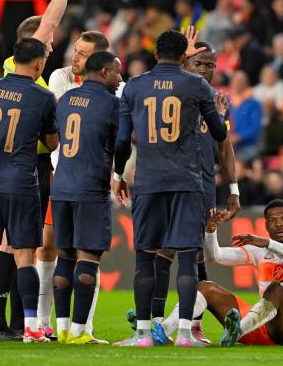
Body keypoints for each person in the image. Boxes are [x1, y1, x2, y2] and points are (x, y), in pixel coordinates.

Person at [111, 29, 228, 348]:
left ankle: (145, 334)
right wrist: (216, 114)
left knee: (145, 258)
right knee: (189, 258)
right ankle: (187, 335)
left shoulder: (134, 86)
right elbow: (218, 132)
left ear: (154, 54)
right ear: (183, 58)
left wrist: (119, 174)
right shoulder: (197, 85)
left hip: (148, 182)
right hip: (187, 182)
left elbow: (123, 141)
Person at [0, 0, 81, 341]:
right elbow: (53, 19)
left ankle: (4, 321)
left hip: (8, 162)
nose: (53, 43)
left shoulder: (8, 74)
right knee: (15, 244)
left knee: (11, 245)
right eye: (47, 39)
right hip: (29, 166)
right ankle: (3, 322)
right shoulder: (24, 70)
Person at [0, 38, 58, 344]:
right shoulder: (43, 96)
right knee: (25, 255)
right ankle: (31, 326)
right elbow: (52, 142)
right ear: (40, 63)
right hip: (20, 182)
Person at [148, 36, 241, 345]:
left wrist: (234, 189)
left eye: (211, 65)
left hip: (202, 188)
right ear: (185, 62)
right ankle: (159, 322)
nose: (206, 70)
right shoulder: (170, 92)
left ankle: (192, 326)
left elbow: (224, 148)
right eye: (199, 63)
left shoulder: (218, 102)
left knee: (194, 253)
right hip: (169, 183)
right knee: (165, 249)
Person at [158, 199, 283, 347]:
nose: (279, 224)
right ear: (266, 226)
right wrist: (210, 232)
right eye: (272, 221)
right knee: (205, 287)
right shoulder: (260, 251)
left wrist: (269, 243)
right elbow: (215, 256)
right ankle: (163, 331)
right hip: (260, 326)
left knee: (276, 290)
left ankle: (237, 331)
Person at [41, 30, 112, 341]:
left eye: (82, 54)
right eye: (75, 50)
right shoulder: (62, 77)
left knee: (73, 254)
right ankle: (51, 325)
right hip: (71, 177)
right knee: (61, 250)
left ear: (98, 59)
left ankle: (77, 327)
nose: (75, 58)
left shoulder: (80, 91)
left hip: (68, 181)